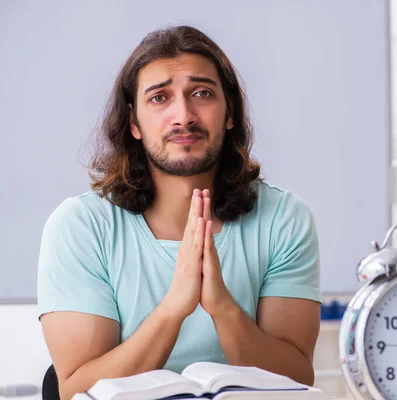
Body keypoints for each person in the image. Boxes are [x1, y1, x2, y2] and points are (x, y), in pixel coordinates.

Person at [37, 25, 321, 400]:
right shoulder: (80, 226)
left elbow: (298, 377)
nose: (183, 115)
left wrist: (222, 308)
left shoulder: (284, 218)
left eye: (201, 93)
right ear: (134, 122)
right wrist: (173, 310)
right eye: (159, 98)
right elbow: (74, 390)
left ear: (230, 111)